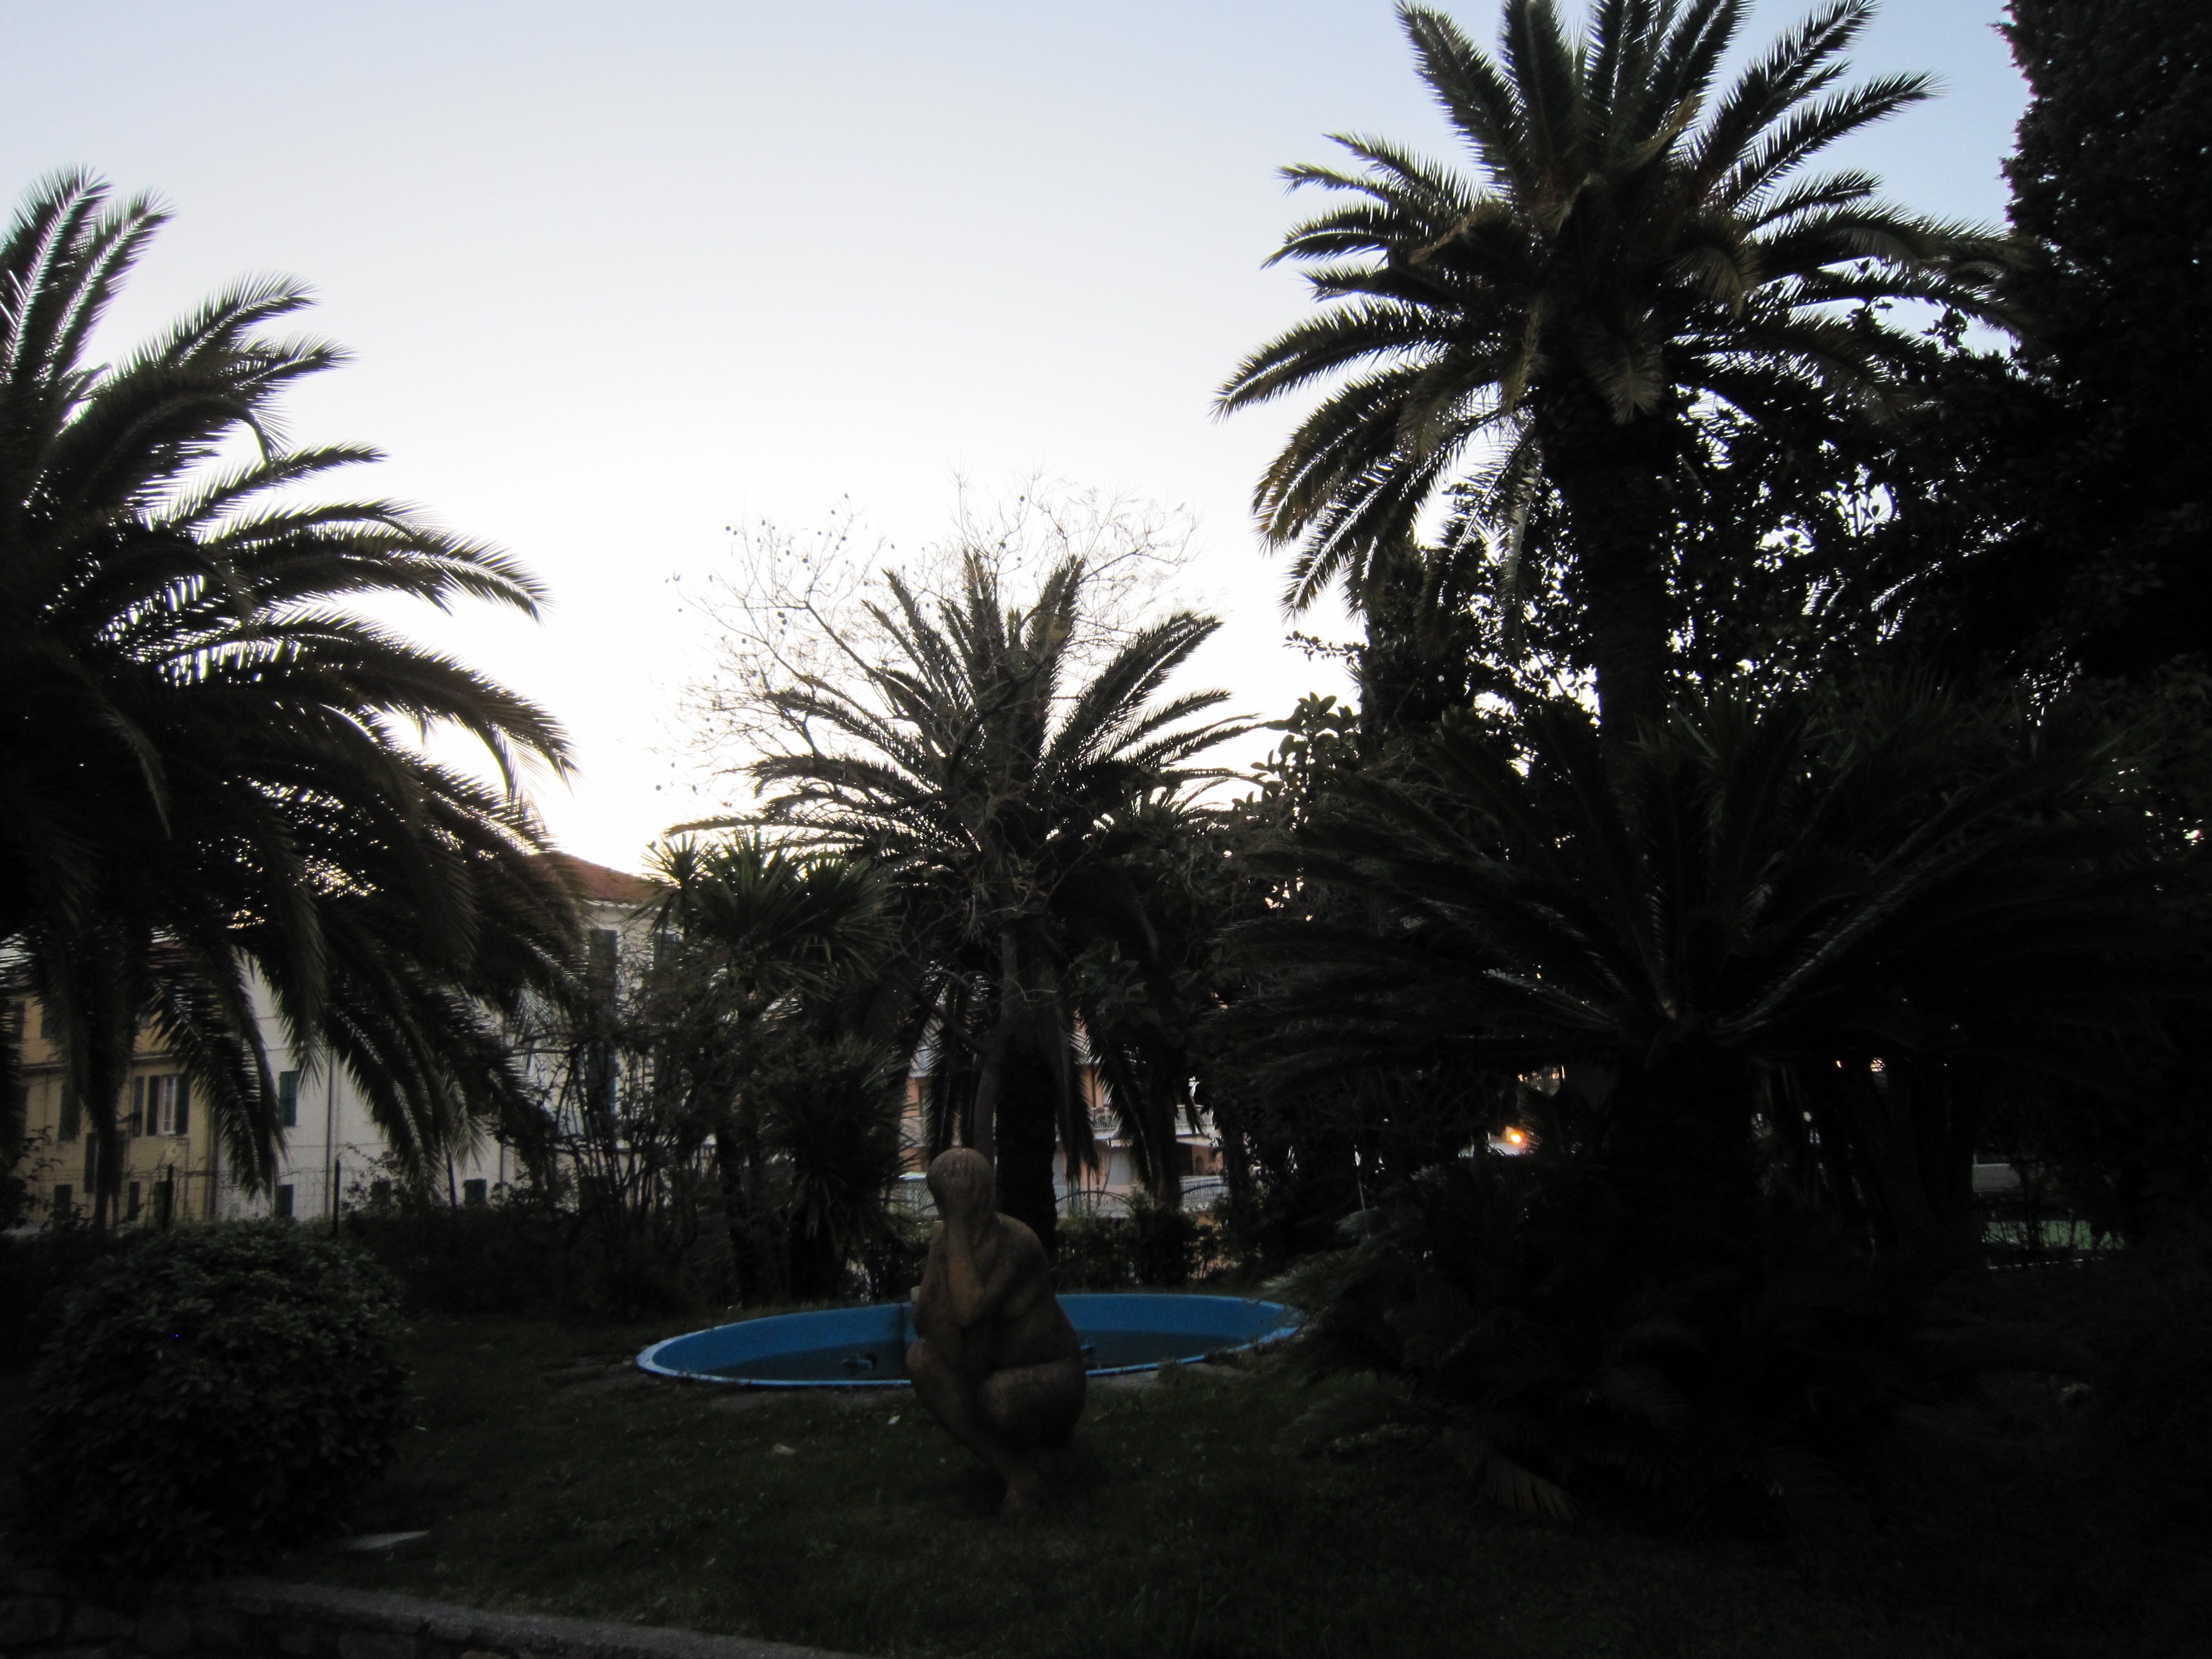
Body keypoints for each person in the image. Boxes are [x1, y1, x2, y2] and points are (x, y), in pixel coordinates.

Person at [906, 1147, 1086, 1512]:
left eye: (957, 1195)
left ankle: (1045, 1464)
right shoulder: (944, 1244)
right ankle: (1016, 1473)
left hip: (1053, 1377)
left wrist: (957, 1226)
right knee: (920, 1359)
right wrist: (949, 1242)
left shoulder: (1018, 1242)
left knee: (999, 1397)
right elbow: (926, 1322)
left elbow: (968, 1309)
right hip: (988, 1370)